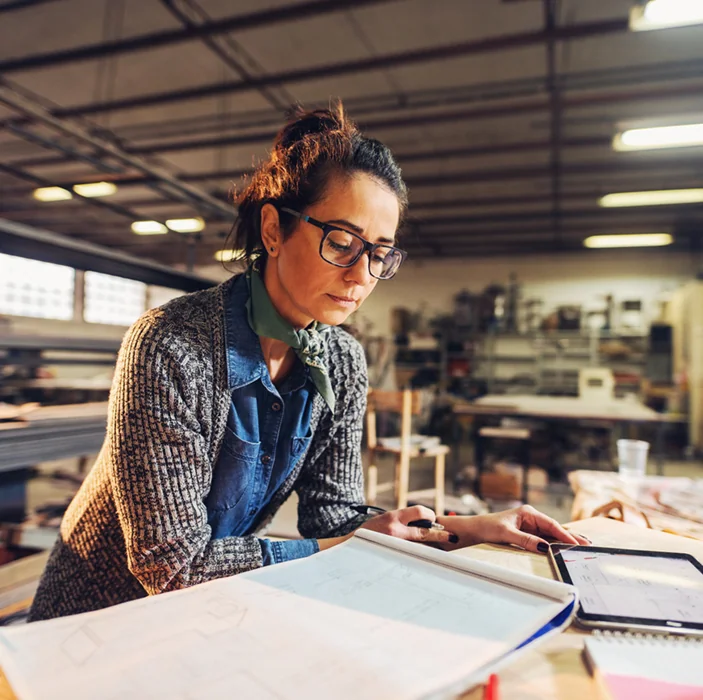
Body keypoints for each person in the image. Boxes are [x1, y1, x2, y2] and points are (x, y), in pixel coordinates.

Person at [29, 104, 586, 622]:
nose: (362, 274)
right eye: (342, 241)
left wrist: (463, 529)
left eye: (380, 252)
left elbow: (332, 515)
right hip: (96, 619)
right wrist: (339, 548)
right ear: (273, 230)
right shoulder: (170, 348)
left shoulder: (341, 360)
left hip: (203, 611)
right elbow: (171, 566)